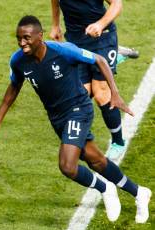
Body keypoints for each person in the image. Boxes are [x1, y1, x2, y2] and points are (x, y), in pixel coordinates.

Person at [0, 16, 150, 224]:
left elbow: (100, 60)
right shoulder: (18, 61)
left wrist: (114, 93)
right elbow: (14, 86)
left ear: (39, 36)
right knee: (95, 160)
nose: (22, 43)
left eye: (26, 38)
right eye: (19, 38)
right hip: (57, 118)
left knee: (67, 166)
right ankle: (139, 193)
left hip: (78, 109)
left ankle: (105, 188)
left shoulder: (62, 51)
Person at [49, 0, 136, 160]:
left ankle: (118, 142)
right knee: (81, 94)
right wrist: (55, 25)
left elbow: (117, 4)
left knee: (101, 92)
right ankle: (114, 56)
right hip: (75, 40)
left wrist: (100, 24)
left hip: (103, 37)